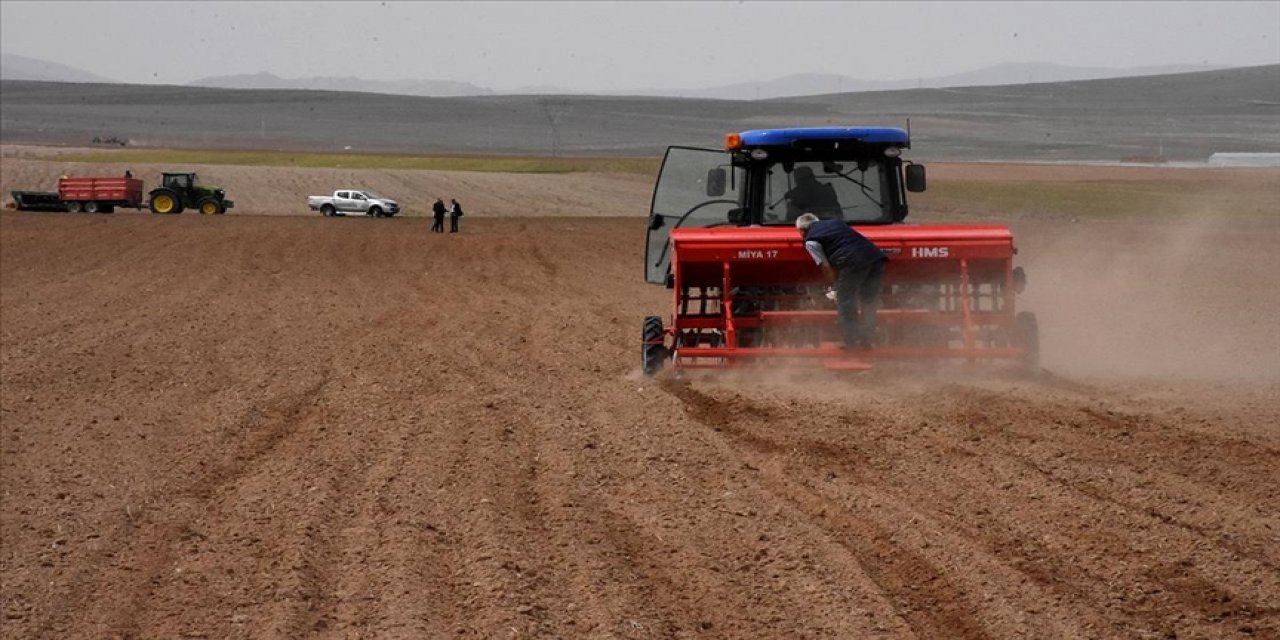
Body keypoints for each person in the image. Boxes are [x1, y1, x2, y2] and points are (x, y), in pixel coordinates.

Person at [796, 212, 887, 350]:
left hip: (853, 263)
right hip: (875, 259)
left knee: (846, 302)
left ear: (802, 231)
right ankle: (867, 340)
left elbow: (825, 267)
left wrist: (834, 288)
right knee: (869, 301)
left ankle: (852, 343)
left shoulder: (811, 241)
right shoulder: (836, 223)